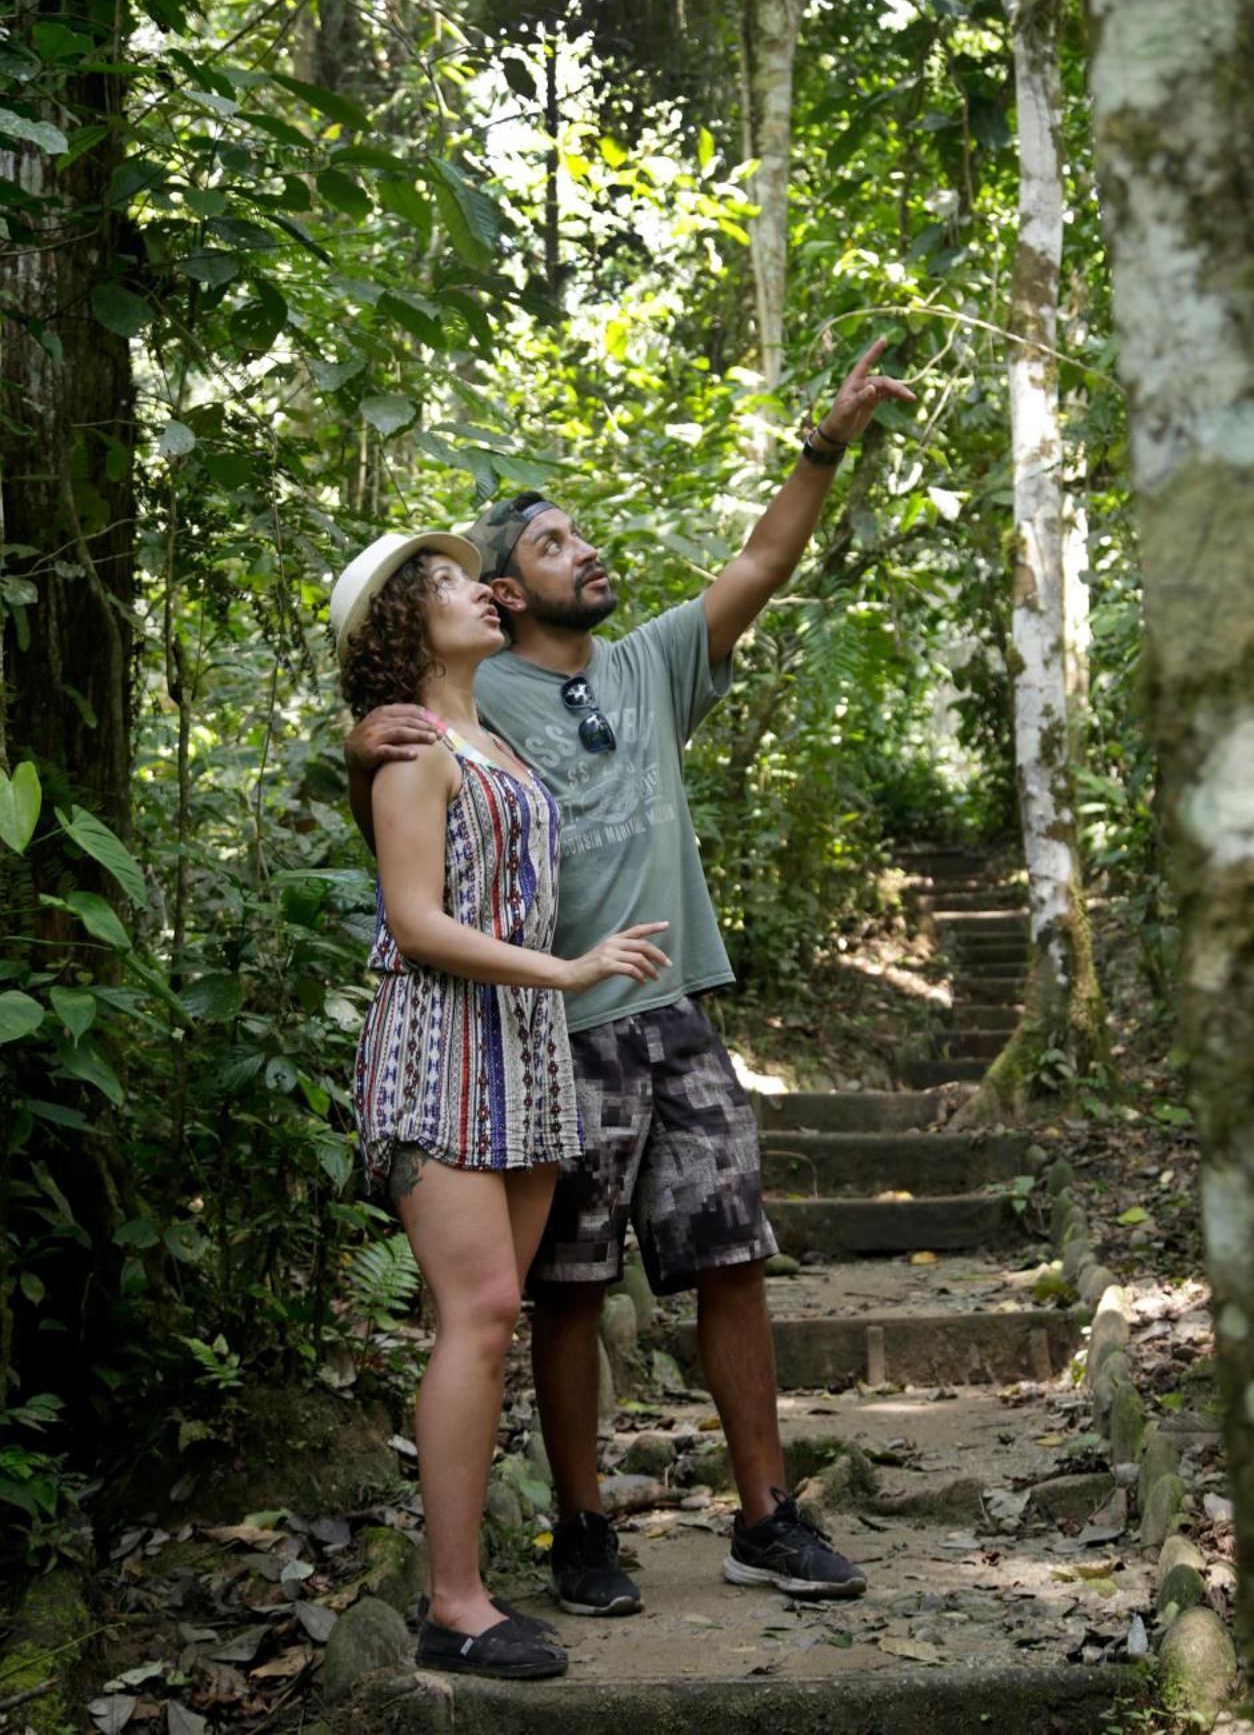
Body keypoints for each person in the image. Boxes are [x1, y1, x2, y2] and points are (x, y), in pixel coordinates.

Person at [346, 338, 916, 1618]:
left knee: (730, 1253)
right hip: (553, 1030)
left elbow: (762, 561)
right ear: (497, 591)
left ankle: (765, 1515)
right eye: (554, 543)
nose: (586, 552)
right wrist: (352, 734)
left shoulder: (650, 663)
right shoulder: (473, 697)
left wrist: (825, 441)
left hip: (675, 1018)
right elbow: (403, 749)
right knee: (568, 1287)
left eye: (583, 535)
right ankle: (583, 1525)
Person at [329, 528, 670, 1680]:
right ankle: (455, 1603)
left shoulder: (491, 739)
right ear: (398, 625)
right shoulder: (411, 745)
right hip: (441, 1045)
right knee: (475, 1313)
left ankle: (464, 1587)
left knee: (494, 1318)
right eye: (441, 585)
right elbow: (415, 919)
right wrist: (569, 973)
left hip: (519, 1054)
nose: (476, 589)